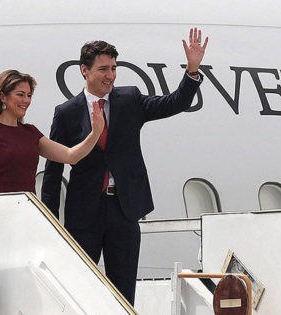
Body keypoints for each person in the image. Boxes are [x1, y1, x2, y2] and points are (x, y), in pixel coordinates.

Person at [41, 28, 208, 305]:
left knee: (123, 292)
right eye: (103, 69)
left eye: (114, 68)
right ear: (85, 70)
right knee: (81, 288)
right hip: (84, 214)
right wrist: (47, 218)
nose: (110, 75)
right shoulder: (67, 112)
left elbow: (175, 103)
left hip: (124, 210)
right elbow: (54, 170)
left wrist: (192, 71)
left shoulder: (129, 100)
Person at [0, 69, 104, 194]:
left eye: (29, 95)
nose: (26, 100)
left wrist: (95, 133)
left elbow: (70, 156)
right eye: (20, 94)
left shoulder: (30, 132)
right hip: (0, 209)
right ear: (2, 97)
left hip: (30, 211)